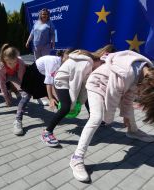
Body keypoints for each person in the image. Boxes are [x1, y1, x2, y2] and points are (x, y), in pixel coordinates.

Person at [70, 50, 154, 182]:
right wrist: (108, 119)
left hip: (113, 85)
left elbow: (128, 96)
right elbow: (113, 97)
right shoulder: (128, 73)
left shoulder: (143, 68)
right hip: (97, 84)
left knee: (129, 112)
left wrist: (126, 115)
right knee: (96, 118)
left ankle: (133, 132)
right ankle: (76, 158)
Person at [12, 50, 72, 135]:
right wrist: (51, 98)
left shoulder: (63, 64)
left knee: (49, 94)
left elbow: (56, 82)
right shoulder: (54, 62)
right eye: (69, 57)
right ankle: (17, 120)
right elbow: (49, 83)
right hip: (33, 74)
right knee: (26, 97)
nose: (71, 60)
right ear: (63, 55)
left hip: (42, 76)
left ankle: (60, 112)